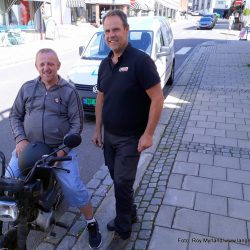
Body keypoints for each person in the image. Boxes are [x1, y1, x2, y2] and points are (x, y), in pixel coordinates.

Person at [8, 48, 102, 249]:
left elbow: (77, 124)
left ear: (58, 65)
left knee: (74, 188)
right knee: (9, 180)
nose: (46, 68)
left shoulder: (69, 91)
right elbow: (15, 115)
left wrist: (62, 151)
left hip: (56, 150)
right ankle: (15, 213)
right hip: (29, 147)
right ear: (36, 66)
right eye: (42, 64)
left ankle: (91, 222)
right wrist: (20, 139)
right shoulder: (27, 88)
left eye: (50, 63)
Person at [92, 9, 164, 244]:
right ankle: (129, 210)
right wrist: (96, 129)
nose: (111, 35)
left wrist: (149, 134)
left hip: (131, 138)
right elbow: (101, 98)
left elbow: (157, 98)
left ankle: (124, 225)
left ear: (126, 31)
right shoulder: (105, 64)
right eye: (107, 31)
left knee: (123, 181)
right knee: (116, 177)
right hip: (110, 137)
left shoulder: (141, 61)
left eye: (115, 29)